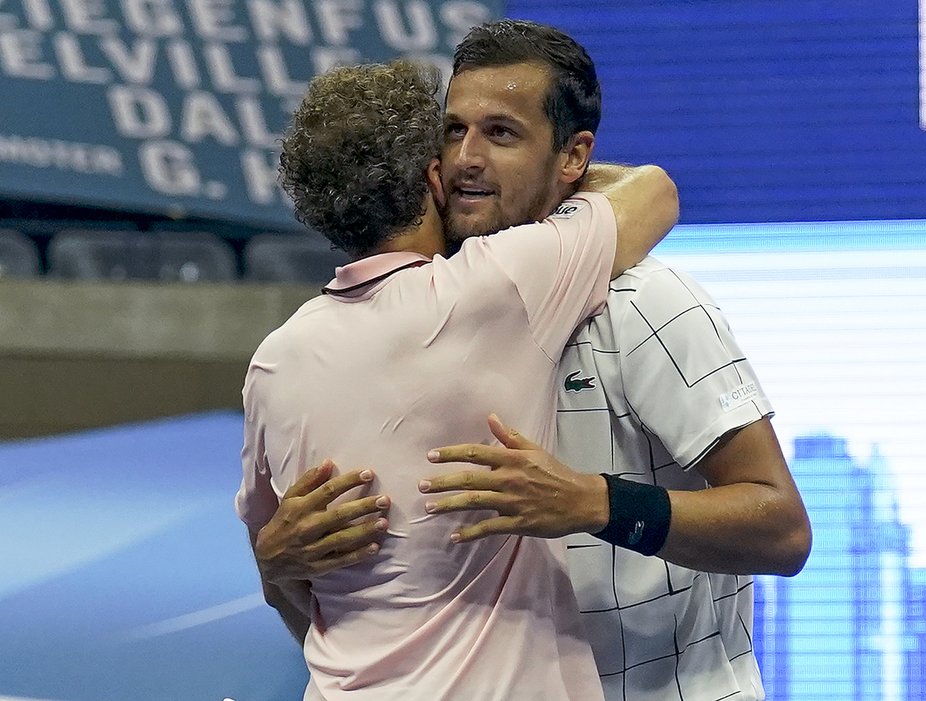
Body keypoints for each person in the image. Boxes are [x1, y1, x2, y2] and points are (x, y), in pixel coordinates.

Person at [253, 20, 811, 701]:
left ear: (574, 156)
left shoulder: (648, 303)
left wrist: (592, 501)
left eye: (502, 134)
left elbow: (781, 527)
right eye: (453, 131)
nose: (465, 159)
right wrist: (277, 562)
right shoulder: (414, 320)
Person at [236, 58, 678, 700]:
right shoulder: (496, 284)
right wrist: (553, 168)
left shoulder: (273, 361)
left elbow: (284, 577)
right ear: (432, 178)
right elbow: (654, 191)